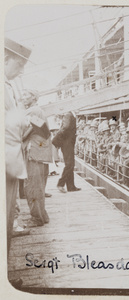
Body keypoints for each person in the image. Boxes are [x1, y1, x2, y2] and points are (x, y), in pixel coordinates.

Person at [5, 37, 31, 253]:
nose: (21, 71)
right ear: (5, 59)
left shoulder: (7, 86)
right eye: (19, 64)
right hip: (6, 159)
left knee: (7, 215)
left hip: (9, 159)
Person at [21, 89, 52, 226]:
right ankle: (42, 216)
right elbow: (45, 132)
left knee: (32, 187)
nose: (23, 97)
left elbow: (25, 132)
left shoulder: (32, 111)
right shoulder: (39, 111)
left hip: (33, 153)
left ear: (33, 97)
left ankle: (37, 218)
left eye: (25, 95)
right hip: (40, 153)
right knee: (39, 186)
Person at [52, 111, 81, 192]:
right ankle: (60, 184)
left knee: (70, 164)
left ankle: (71, 186)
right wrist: (59, 138)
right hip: (67, 143)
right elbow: (66, 127)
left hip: (68, 143)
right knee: (69, 164)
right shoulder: (69, 115)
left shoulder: (70, 115)